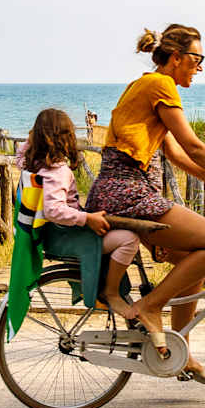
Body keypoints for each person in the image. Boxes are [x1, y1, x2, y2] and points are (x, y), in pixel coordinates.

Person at [85, 24, 205, 384]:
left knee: (194, 261)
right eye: (196, 60)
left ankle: (179, 348)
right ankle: (150, 307)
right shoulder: (162, 85)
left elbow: (174, 152)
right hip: (128, 191)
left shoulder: (145, 85)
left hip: (120, 189)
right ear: (176, 58)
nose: (199, 68)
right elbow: (194, 146)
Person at [21, 108, 140, 320]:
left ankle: (104, 287)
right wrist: (87, 218)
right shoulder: (57, 172)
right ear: (64, 139)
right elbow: (53, 209)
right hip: (68, 238)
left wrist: (34, 138)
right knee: (129, 239)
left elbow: (22, 151)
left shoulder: (32, 165)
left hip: (51, 235)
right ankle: (109, 292)